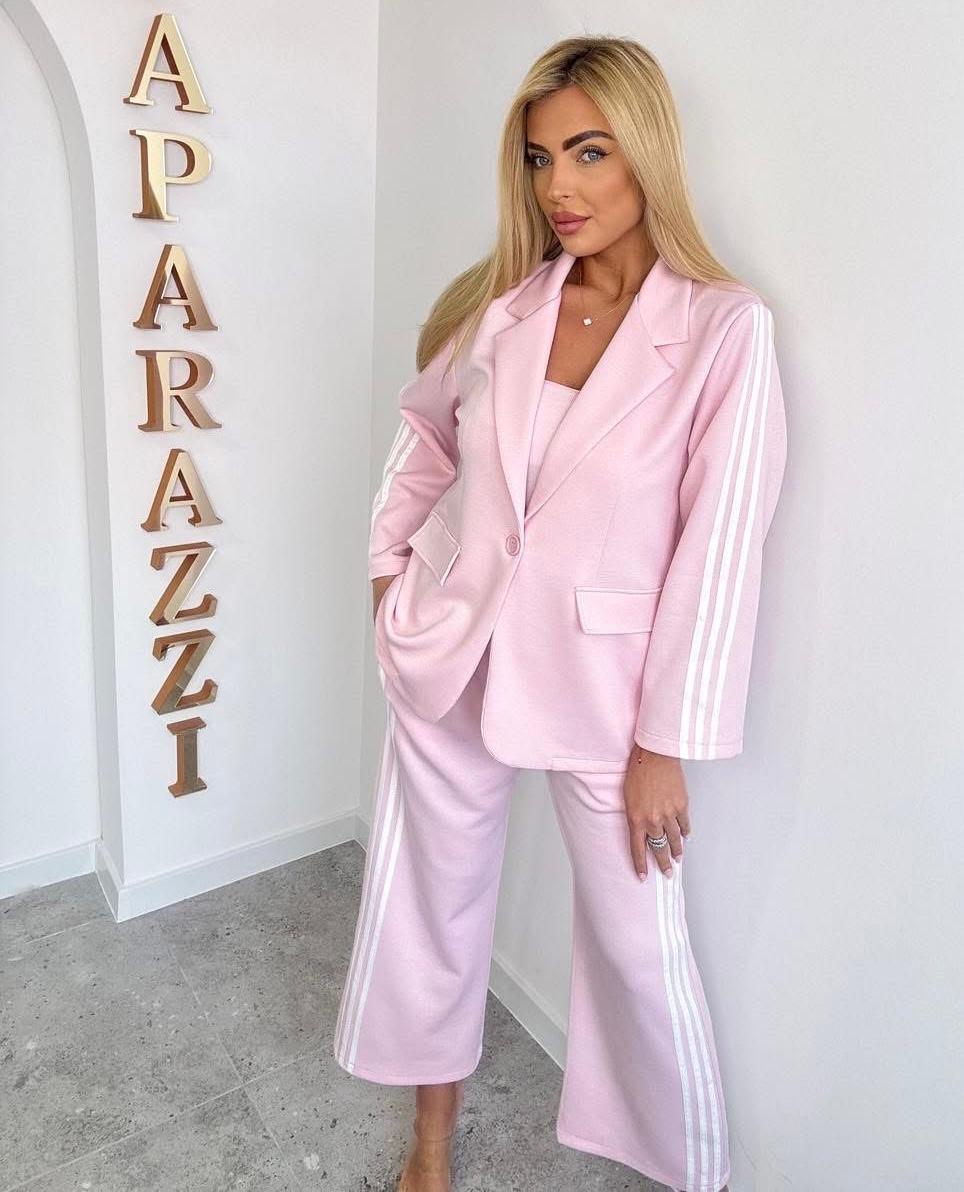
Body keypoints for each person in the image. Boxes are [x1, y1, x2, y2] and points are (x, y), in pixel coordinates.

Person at [334, 34, 788, 1192]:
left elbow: (720, 547)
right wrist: (390, 573)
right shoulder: (503, 309)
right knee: (431, 911)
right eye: (540, 160)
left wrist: (663, 740)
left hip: (605, 691)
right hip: (452, 650)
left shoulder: (723, 329)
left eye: (588, 152)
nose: (559, 188)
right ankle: (430, 1144)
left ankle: (688, 1170)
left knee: (640, 947)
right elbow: (424, 438)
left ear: (646, 150)